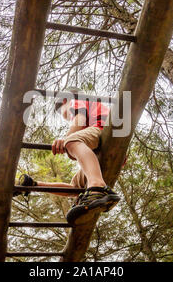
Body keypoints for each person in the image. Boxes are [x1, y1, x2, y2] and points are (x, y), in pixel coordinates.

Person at [15, 87, 121, 226]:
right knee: (75, 187)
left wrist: (66, 139)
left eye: (63, 113)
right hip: (101, 151)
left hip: (103, 129)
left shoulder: (76, 99)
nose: (66, 118)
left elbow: (80, 118)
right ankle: (34, 185)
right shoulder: (85, 125)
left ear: (65, 100)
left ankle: (97, 187)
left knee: (71, 141)